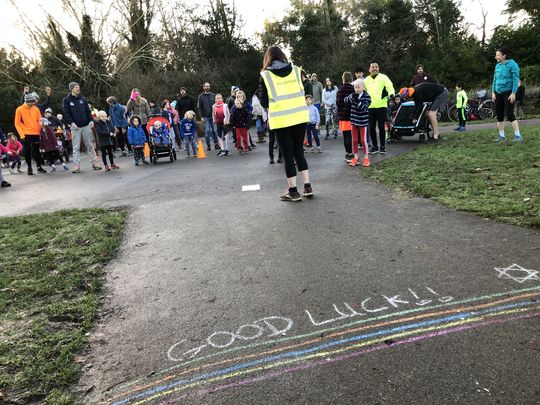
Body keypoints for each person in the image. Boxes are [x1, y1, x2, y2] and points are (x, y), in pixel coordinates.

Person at [259, 45, 312, 202]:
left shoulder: (266, 75)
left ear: (268, 58)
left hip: (281, 120)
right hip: (299, 116)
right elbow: (306, 87)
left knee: (288, 156)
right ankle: (308, 187)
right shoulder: (296, 70)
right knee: (299, 153)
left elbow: (263, 102)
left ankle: (293, 191)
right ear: (282, 55)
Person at [62, 82, 101, 173]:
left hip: (86, 125)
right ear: (71, 89)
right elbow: (66, 113)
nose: (78, 89)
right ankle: (76, 165)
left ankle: (94, 163)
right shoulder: (67, 100)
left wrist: (91, 120)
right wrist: (71, 123)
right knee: (76, 147)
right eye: (76, 87)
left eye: (78, 87)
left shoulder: (83, 99)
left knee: (90, 145)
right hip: (75, 127)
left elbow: (88, 111)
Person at [364, 61, 395, 154]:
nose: (374, 69)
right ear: (369, 69)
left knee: (381, 127)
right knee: (372, 128)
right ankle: (375, 147)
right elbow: (363, 92)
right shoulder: (366, 80)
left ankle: (382, 147)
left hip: (381, 106)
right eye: (372, 67)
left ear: (378, 68)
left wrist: (392, 95)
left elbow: (390, 87)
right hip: (370, 107)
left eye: (376, 67)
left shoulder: (383, 77)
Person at [492, 48, 521, 142]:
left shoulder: (513, 64)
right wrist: (493, 92)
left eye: (498, 55)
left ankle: (518, 136)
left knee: (509, 114)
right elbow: (494, 80)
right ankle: (501, 136)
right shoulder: (497, 66)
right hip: (497, 93)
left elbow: (516, 80)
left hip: (508, 92)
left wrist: (513, 93)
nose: (496, 57)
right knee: (499, 115)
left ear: (504, 56)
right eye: (496, 55)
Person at [14, 92, 45, 175]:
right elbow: (17, 123)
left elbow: (39, 119)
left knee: (36, 151)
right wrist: (21, 135)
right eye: (32, 102)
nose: (34, 103)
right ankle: (29, 168)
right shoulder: (19, 109)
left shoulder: (36, 109)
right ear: (27, 101)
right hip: (25, 134)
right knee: (27, 151)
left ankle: (39, 167)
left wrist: (41, 124)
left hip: (36, 133)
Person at [344, 80, 371, 167]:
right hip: (354, 121)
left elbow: (364, 108)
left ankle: (366, 158)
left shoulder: (367, 96)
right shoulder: (352, 95)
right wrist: (350, 98)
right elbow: (345, 101)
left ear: (362, 87)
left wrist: (357, 101)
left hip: (363, 121)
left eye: (358, 87)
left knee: (363, 140)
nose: (357, 89)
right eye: (355, 87)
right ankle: (355, 157)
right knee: (354, 140)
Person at [336, 71, 355, 162]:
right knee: (350, 136)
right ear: (351, 79)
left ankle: (347, 153)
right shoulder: (353, 89)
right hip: (351, 116)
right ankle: (351, 154)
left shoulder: (339, 90)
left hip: (342, 117)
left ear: (343, 79)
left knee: (345, 136)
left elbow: (338, 103)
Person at [197, 82, 219, 151]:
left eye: (208, 86)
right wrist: (201, 116)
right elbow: (199, 107)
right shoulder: (200, 96)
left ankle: (216, 144)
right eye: (206, 86)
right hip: (205, 117)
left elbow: (217, 105)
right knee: (207, 131)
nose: (207, 87)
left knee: (215, 131)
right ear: (203, 87)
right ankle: (208, 145)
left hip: (213, 116)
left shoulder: (213, 95)